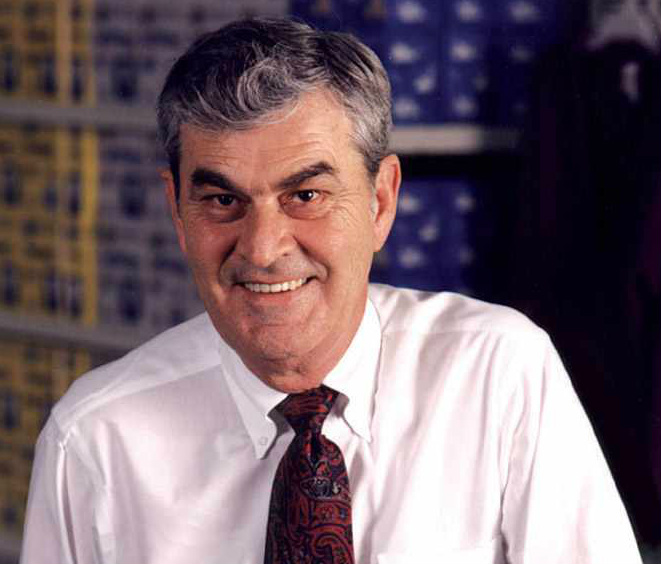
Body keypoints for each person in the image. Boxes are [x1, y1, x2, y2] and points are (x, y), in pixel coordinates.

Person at [20, 17, 641, 564]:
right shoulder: (95, 439)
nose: (263, 248)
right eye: (221, 199)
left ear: (380, 201)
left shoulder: (500, 374)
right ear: (177, 213)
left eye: (306, 196)